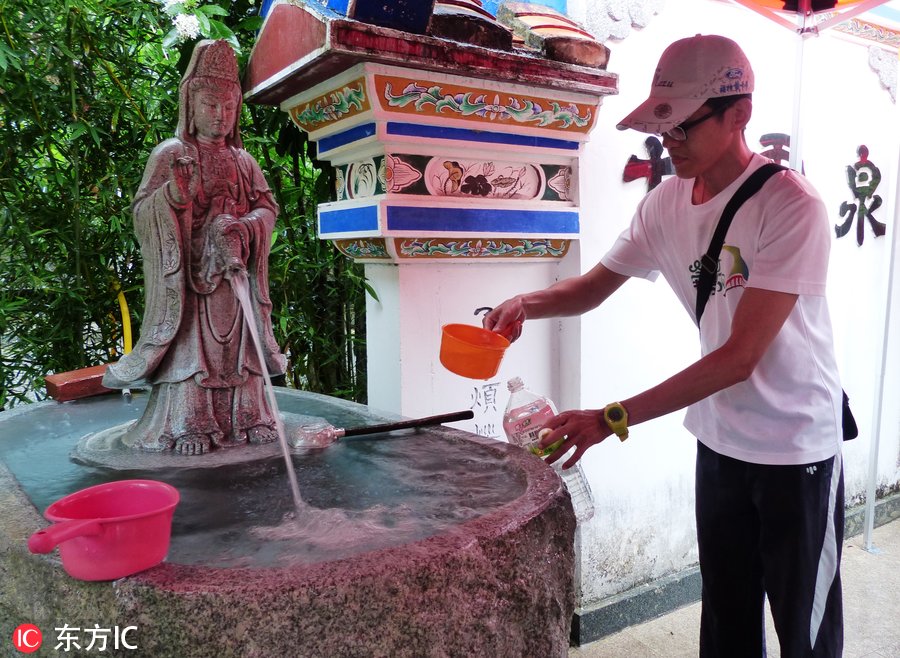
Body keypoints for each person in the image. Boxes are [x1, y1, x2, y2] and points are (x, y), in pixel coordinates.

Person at [483, 35, 844, 657]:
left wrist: (610, 418)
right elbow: (595, 286)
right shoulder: (665, 203)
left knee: (804, 637)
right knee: (727, 626)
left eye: (682, 127)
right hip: (722, 443)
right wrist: (526, 303)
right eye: (662, 127)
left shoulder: (792, 207)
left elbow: (739, 357)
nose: (668, 141)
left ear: (739, 114)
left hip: (797, 450)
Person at [103, 40, 286, 455]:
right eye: (209, 105)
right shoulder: (172, 153)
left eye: (228, 107)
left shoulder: (244, 161)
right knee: (193, 350)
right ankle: (189, 422)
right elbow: (142, 212)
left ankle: (250, 415)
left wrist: (247, 226)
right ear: (190, 104)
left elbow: (267, 207)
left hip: (234, 272)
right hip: (189, 280)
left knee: (241, 353)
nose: (219, 116)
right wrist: (175, 195)